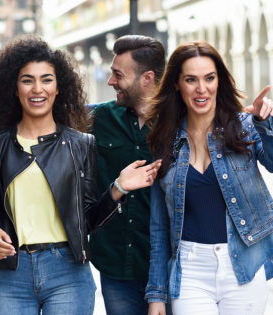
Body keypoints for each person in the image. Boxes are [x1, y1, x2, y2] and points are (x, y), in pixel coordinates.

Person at [0, 35, 161, 315]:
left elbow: (89, 221)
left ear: (59, 88)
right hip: (11, 274)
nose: (37, 89)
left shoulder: (82, 144)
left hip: (68, 272)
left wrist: (118, 188)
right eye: (27, 80)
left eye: (47, 79)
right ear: (14, 87)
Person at [145, 41, 273, 315]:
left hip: (242, 265)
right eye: (191, 80)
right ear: (177, 84)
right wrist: (156, 293)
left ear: (218, 81)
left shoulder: (244, 127)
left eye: (209, 78)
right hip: (189, 269)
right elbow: (159, 226)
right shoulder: (164, 143)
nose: (202, 89)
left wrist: (264, 123)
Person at [88, 35, 172, 315]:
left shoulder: (180, 122)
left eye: (118, 74)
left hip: (168, 269)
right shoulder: (98, 119)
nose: (111, 81)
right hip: (115, 267)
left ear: (147, 78)